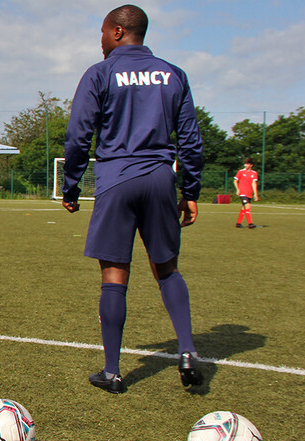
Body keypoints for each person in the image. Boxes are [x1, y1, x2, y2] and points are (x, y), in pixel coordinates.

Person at [62, 5, 204, 393]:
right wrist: (190, 191)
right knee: (168, 269)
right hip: (160, 178)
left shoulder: (100, 72)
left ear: (119, 32)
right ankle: (188, 351)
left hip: (116, 179)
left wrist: (71, 186)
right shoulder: (174, 74)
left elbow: (78, 134)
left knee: (114, 275)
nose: (102, 40)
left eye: (104, 33)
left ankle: (112, 372)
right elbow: (190, 140)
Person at [233, 158, 259, 228]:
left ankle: (238, 223)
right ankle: (250, 224)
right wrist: (237, 189)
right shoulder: (240, 172)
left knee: (244, 208)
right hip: (242, 193)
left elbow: (254, 183)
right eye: (245, 164)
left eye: (247, 164)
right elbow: (235, 181)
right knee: (248, 206)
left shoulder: (254, 173)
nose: (245, 165)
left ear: (251, 165)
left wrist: (255, 194)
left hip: (249, 193)